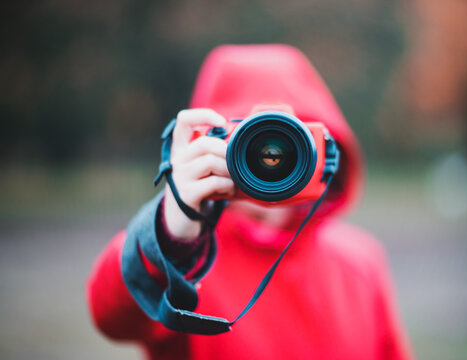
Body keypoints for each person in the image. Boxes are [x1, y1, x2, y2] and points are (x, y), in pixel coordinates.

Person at [87, 44, 413, 359]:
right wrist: (169, 236)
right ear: (208, 145)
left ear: (325, 151)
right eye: (248, 142)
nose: (269, 162)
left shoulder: (361, 263)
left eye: (288, 143)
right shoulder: (186, 262)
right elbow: (112, 318)